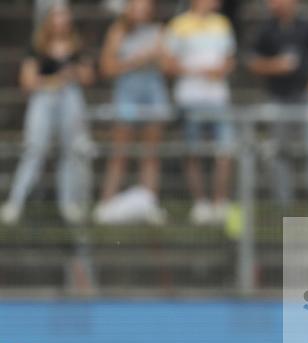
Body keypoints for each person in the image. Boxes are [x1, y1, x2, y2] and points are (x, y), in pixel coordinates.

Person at [2, 2, 95, 226]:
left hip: (69, 101)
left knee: (70, 150)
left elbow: (88, 76)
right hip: (44, 101)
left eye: (64, 15)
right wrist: (55, 79)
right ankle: (15, 202)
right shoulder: (37, 47)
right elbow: (27, 81)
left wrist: (72, 72)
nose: (61, 21)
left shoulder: (76, 46)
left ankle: (68, 203)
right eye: (57, 16)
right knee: (35, 149)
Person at [162, 0, 236, 225]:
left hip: (217, 98)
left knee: (225, 150)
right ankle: (201, 203)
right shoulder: (178, 25)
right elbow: (167, 64)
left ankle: (219, 202)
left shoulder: (222, 24)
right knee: (192, 150)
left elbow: (229, 60)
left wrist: (219, 70)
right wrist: (196, 70)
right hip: (190, 97)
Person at [96, 0, 169, 224]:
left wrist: (157, 57)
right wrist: (134, 61)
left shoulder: (159, 31)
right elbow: (107, 67)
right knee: (120, 152)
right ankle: (106, 202)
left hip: (153, 94)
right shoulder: (117, 31)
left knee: (151, 153)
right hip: (126, 95)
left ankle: (149, 203)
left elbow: (169, 66)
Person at [248, 0, 308, 207]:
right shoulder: (266, 30)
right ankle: (284, 202)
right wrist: (277, 66)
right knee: (279, 150)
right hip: (278, 98)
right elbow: (254, 63)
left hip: (305, 97)